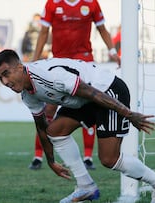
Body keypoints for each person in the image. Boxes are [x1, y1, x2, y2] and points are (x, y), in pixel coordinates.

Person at [0, 49, 155, 203]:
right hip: (84, 100)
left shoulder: (49, 76)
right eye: (0, 78)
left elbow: (92, 93)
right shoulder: (27, 95)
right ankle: (85, 186)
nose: (5, 82)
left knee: (109, 159)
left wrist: (128, 113)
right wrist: (51, 160)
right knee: (55, 131)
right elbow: (41, 126)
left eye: (6, 74)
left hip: (107, 91)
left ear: (20, 67)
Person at [28, 0, 121, 170]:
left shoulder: (91, 3)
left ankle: (87, 157)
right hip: (59, 64)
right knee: (47, 110)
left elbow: (102, 29)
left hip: (84, 62)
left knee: (90, 104)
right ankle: (38, 156)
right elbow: (43, 32)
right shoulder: (52, 4)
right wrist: (35, 59)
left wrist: (112, 51)